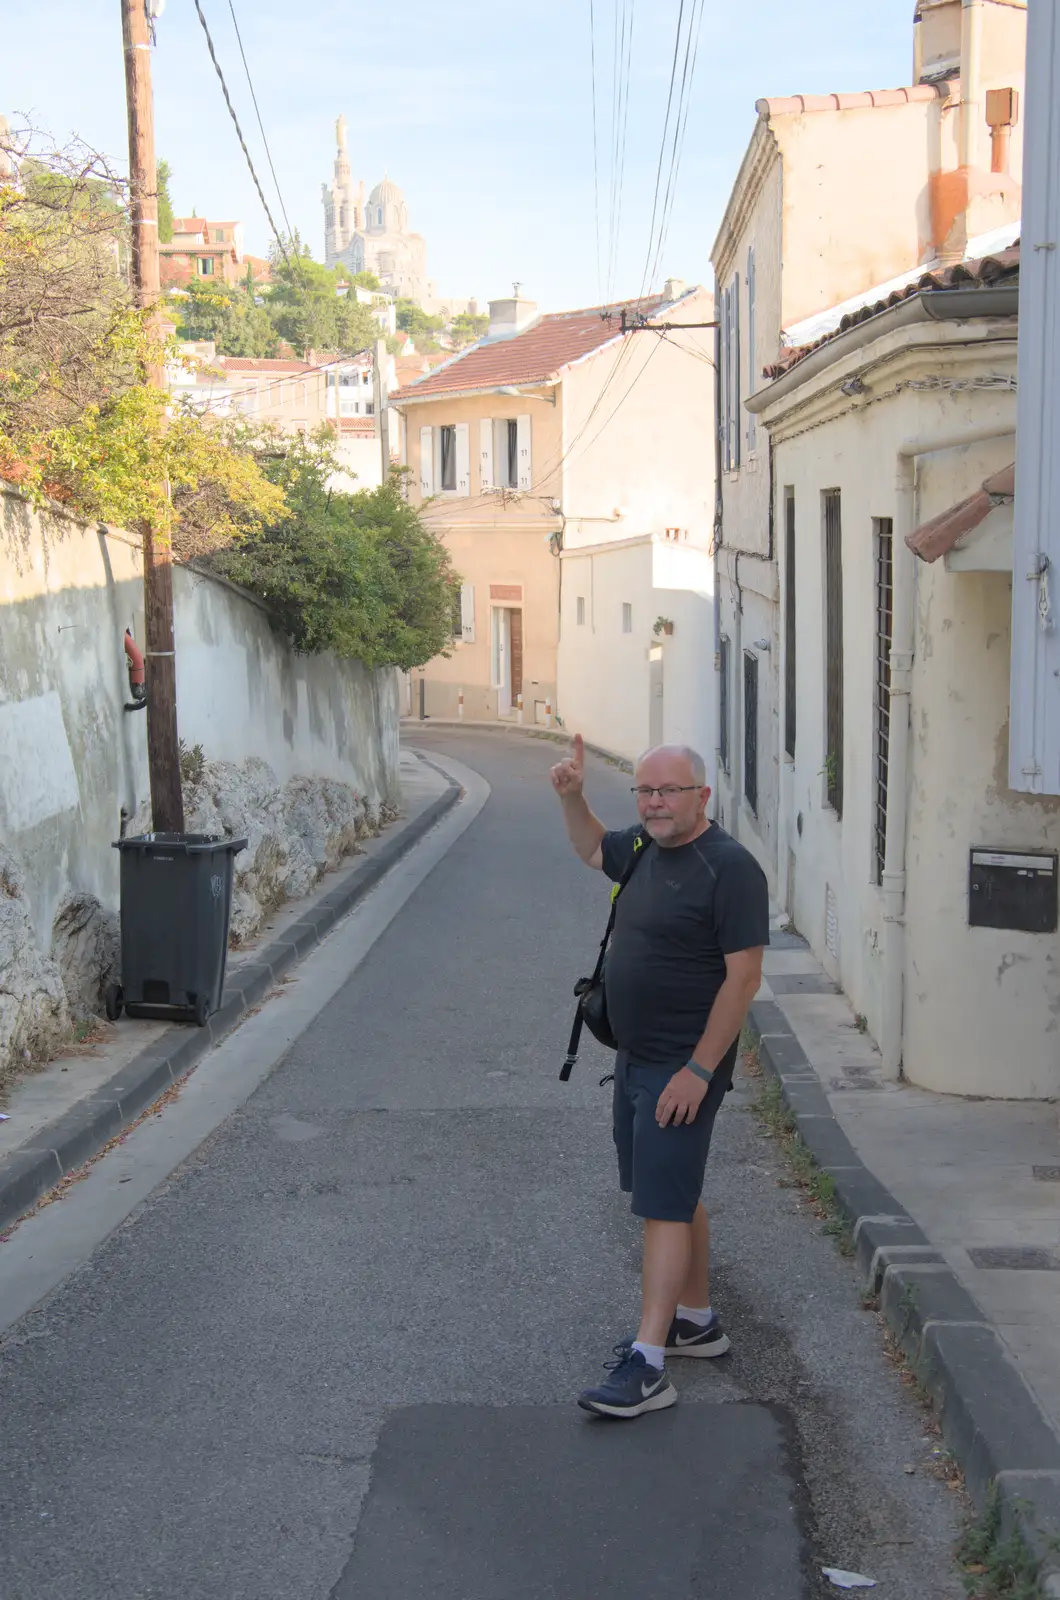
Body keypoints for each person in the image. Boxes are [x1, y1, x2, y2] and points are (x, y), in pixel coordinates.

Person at [550, 735, 769, 1419]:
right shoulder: (643, 848)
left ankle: (648, 1365)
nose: (654, 801)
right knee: (668, 1189)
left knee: (661, 1206)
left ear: (702, 795)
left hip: (685, 1064)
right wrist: (572, 797)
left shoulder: (729, 868)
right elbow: (590, 849)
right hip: (636, 1058)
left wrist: (700, 1070)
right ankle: (695, 1321)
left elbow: (744, 978)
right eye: (646, 790)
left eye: (669, 790)